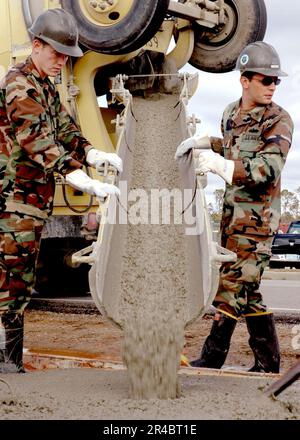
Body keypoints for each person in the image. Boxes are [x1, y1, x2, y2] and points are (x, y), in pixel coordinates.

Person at [0, 9, 122, 373]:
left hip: (32, 201)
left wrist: (91, 153)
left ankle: (9, 357)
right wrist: (77, 176)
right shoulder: (18, 85)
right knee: (10, 276)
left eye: (66, 55)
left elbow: (66, 131)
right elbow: (37, 139)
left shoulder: (45, 86)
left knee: (21, 277)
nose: (62, 61)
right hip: (13, 201)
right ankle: (7, 361)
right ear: (36, 46)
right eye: (56, 53)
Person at [175, 41, 294, 373]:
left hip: (257, 223)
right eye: (265, 80)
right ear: (245, 80)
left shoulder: (279, 120)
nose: (272, 87)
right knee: (248, 291)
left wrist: (218, 166)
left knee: (229, 287)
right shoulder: (230, 113)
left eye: (276, 81)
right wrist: (204, 143)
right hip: (231, 218)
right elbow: (230, 145)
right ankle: (268, 363)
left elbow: (267, 169)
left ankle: (213, 356)